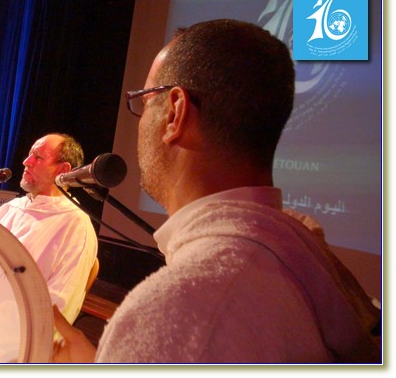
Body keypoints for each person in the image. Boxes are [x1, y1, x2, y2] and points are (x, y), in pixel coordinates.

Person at [51, 19, 381, 363]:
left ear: (175, 113)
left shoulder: (176, 316)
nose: (140, 119)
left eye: (145, 100)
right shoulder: (307, 262)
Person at [0, 133, 98, 325]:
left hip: (6, 331)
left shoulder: (75, 225)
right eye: (29, 155)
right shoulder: (13, 207)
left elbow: (57, 308)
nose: (26, 162)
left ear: (62, 170)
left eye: (38, 157)